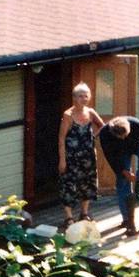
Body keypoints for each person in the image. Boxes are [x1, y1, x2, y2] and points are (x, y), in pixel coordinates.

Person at [98, 116, 139, 236]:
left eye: (126, 135)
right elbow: (110, 157)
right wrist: (124, 172)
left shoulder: (136, 124)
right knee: (122, 182)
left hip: (137, 146)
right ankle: (128, 221)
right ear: (113, 132)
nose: (124, 138)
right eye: (121, 137)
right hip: (120, 154)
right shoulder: (105, 134)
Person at [57, 82, 105, 229]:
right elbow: (61, 138)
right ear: (74, 98)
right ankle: (69, 217)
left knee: (87, 184)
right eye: (80, 96)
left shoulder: (90, 112)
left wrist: (93, 137)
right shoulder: (68, 115)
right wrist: (62, 160)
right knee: (69, 185)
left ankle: (84, 213)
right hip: (71, 157)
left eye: (86, 96)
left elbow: (103, 126)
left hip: (88, 156)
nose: (84, 99)